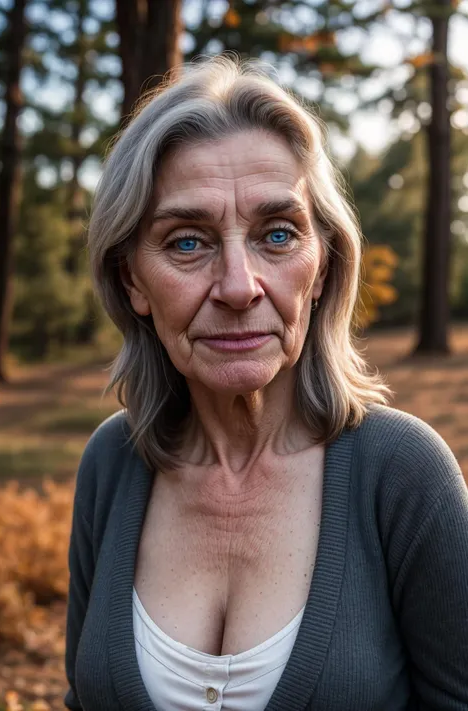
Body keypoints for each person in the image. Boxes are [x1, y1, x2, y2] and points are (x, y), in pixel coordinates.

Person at [64, 54, 468, 711]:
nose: (238, 286)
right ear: (133, 278)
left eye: (277, 234)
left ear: (325, 266)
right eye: (187, 242)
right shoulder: (112, 462)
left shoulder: (401, 472)